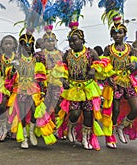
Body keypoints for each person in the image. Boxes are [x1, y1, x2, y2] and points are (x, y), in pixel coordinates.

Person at [55, 25, 103, 150]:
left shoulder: (91, 52)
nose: (72, 43)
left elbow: (101, 63)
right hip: (73, 88)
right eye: (69, 41)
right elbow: (61, 69)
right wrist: (63, 79)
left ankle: (86, 139)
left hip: (88, 88)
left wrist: (93, 69)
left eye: (74, 40)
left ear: (82, 40)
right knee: (75, 112)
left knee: (88, 114)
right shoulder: (67, 54)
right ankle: (70, 127)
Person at [8, 33, 56, 148]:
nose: (27, 47)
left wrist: (43, 91)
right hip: (21, 88)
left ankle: (31, 133)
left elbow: (41, 77)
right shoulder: (17, 58)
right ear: (21, 46)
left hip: (34, 88)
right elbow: (11, 76)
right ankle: (24, 137)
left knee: (35, 110)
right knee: (23, 112)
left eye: (30, 44)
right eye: (25, 45)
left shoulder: (37, 59)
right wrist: (14, 69)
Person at [101, 18, 137, 148]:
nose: (117, 35)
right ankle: (110, 135)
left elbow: (134, 61)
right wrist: (108, 76)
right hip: (114, 82)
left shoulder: (130, 49)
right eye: (115, 33)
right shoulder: (108, 49)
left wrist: (134, 64)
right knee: (114, 111)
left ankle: (122, 126)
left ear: (124, 33)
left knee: (136, 107)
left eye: (120, 32)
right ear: (111, 35)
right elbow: (103, 65)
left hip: (128, 81)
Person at [0, 35, 18, 142]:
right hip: (3, 84)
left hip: (15, 84)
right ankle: (3, 129)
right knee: (2, 106)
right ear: (2, 45)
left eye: (10, 43)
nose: (8, 45)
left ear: (14, 45)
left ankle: (12, 129)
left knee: (14, 108)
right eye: (5, 43)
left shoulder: (17, 57)